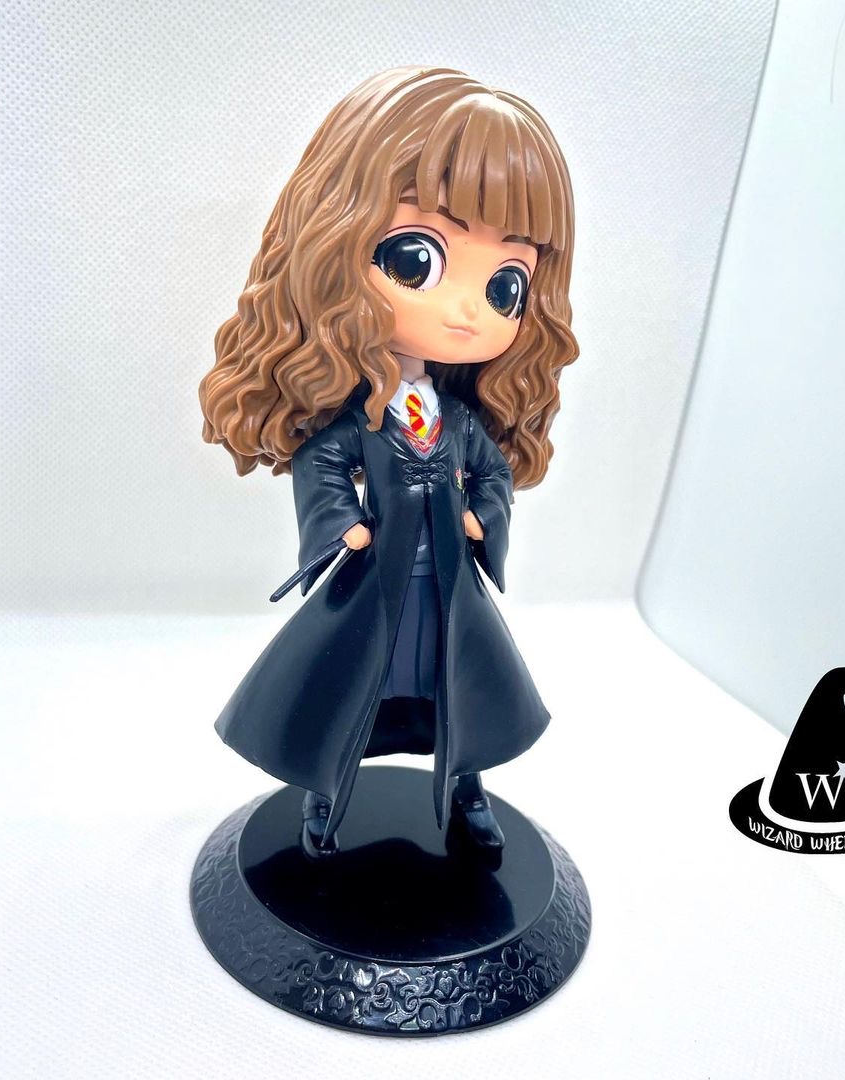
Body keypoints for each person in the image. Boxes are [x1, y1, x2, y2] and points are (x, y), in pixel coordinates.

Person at [198, 66, 578, 856]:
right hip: (376, 584)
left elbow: (494, 472)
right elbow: (320, 464)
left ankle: (467, 792)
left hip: (447, 588)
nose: (468, 311)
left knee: (461, 695)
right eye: (415, 259)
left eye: (505, 286)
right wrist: (342, 524)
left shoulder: (459, 419)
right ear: (338, 245)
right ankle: (323, 799)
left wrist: (484, 517)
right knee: (344, 695)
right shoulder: (359, 417)